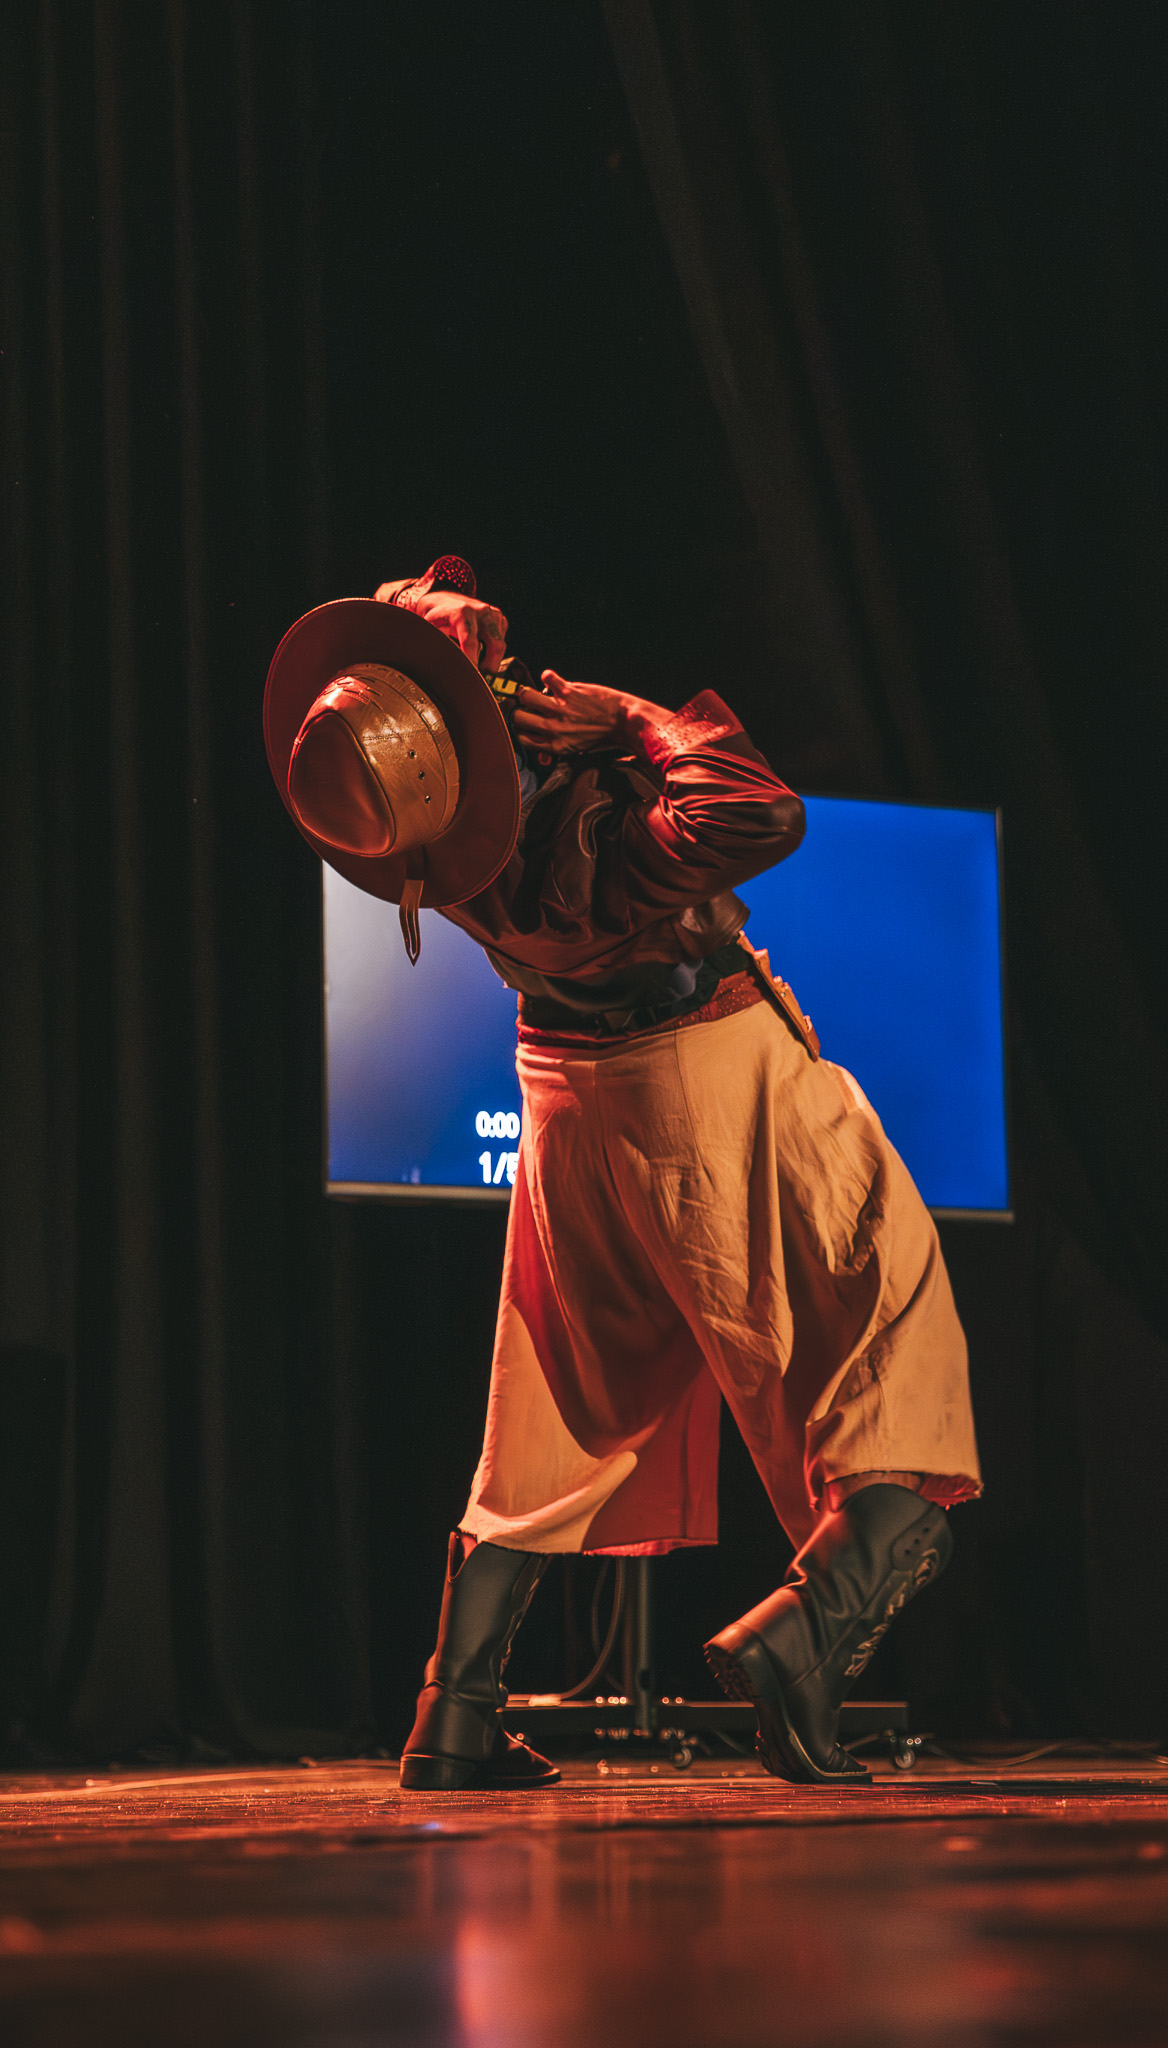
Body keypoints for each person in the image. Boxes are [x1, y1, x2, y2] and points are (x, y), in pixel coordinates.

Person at [268, 555, 981, 1790]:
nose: (517, 675)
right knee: (897, 1330)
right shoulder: (593, 832)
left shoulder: (437, 842)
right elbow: (766, 815)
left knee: (550, 1395)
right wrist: (635, 717)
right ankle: (805, 1633)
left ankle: (456, 1711)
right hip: (701, 1072)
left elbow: (418, 638)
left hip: (564, 1098)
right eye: (490, 681)